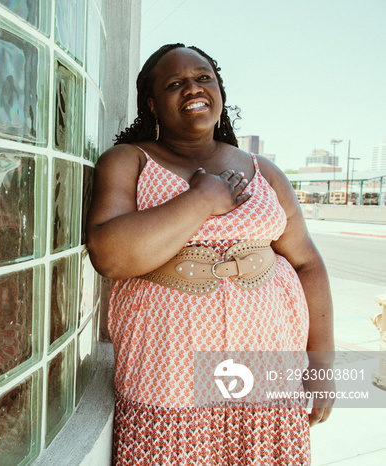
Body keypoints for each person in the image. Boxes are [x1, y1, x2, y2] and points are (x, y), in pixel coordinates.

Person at [86, 43, 335, 465]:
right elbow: (110, 257)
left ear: (219, 91)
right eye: (175, 83)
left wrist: (321, 366)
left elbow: (307, 262)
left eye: (203, 78)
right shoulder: (129, 161)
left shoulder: (264, 171)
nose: (192, 89)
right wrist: (202, 199)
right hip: (169, 374)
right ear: (151, 103)